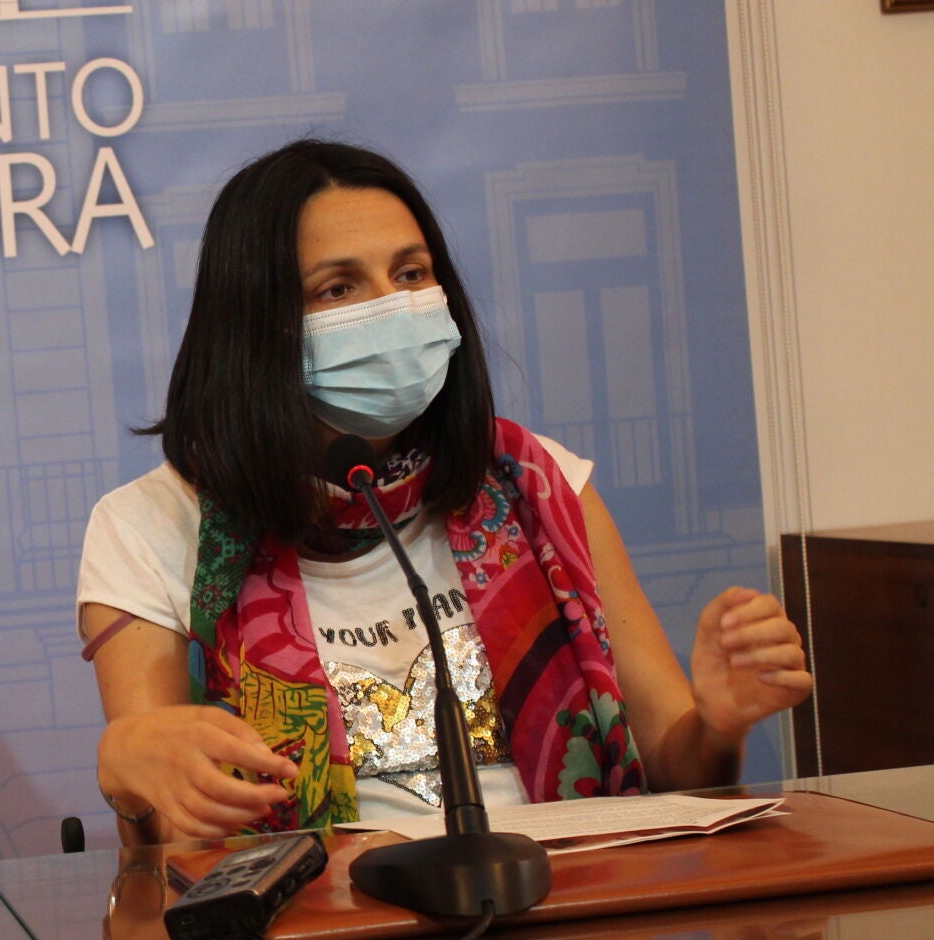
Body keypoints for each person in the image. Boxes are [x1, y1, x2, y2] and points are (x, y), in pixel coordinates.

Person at [77, 138, 813, 846]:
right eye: (339, 288)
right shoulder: (150, 526)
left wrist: (719, 724)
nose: (394, 309)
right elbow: (168, 842)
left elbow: (681, 772)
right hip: (317, 922)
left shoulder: (541, 485)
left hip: (569, 901)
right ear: (254, 325)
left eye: (410, 274)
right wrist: (128, 774)